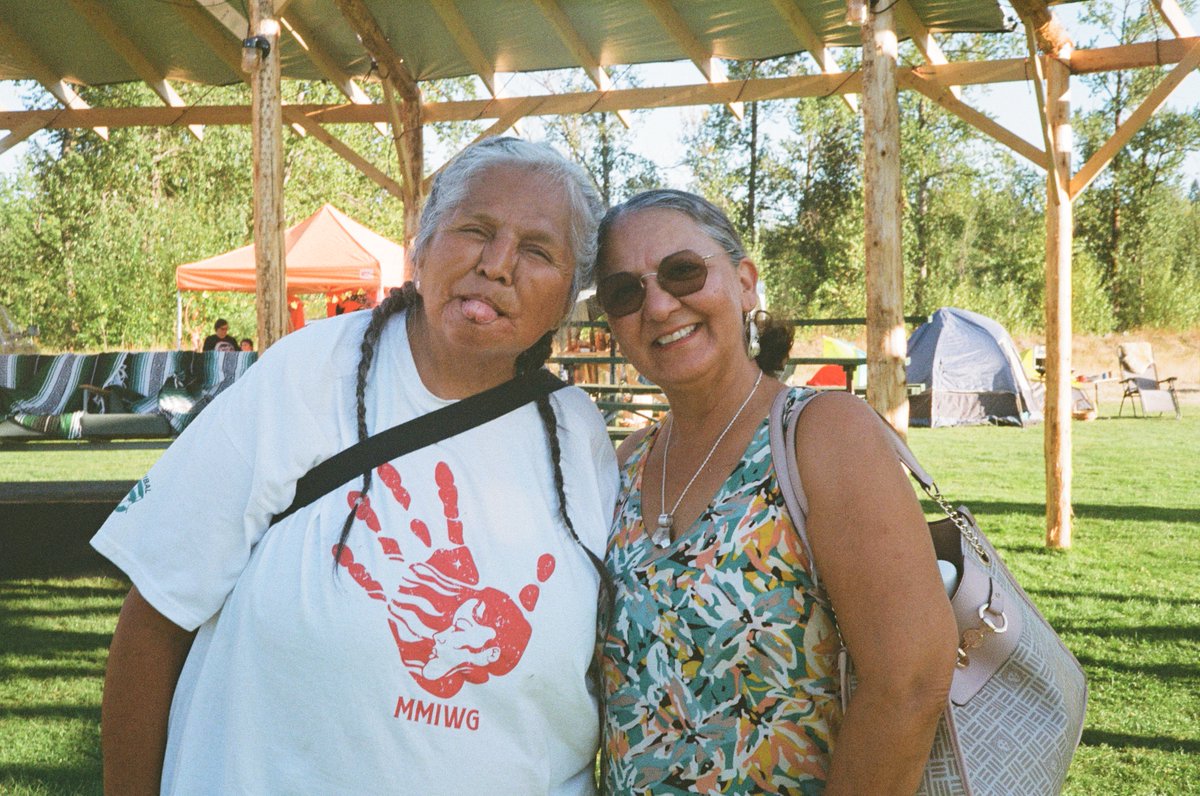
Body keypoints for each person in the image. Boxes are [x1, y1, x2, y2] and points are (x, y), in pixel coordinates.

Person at [93, 137, 617, 794]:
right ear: (421, 246)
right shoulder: (309, 375)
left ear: (570, 293)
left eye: (537, 250)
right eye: (475, 230)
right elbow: (156, 617)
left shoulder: (579, 436)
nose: (497, 264)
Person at [595, 189, 958, 795]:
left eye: (682, 271)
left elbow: (911, 681)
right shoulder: (626, 464)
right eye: (624, 292)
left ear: (745, 283)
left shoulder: (822, 435)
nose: (657, 304)